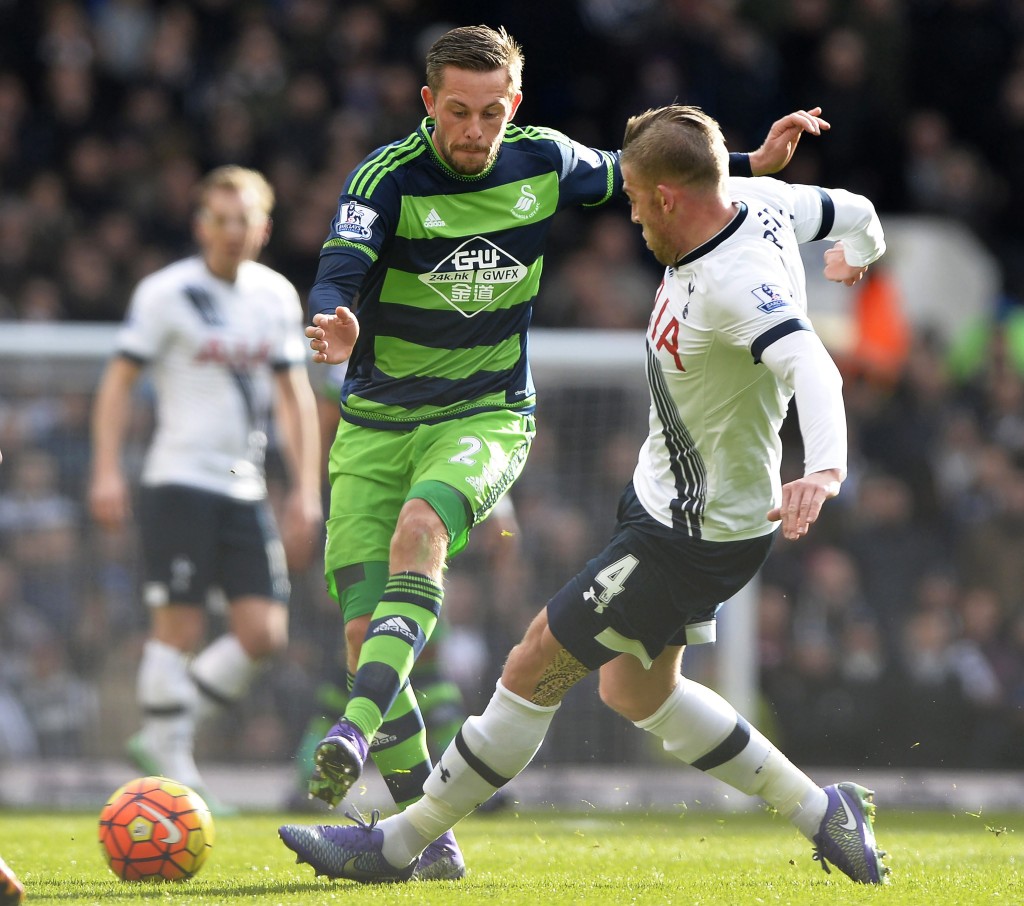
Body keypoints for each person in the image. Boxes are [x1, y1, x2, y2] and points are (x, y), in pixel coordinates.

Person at [279, 103, 890, 885]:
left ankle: (402, 844)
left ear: (668, 196)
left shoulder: (736, 287)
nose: (629, 215)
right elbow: (857, 211)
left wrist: (827, 469)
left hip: (688, 538)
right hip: (663, 505)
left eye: (635, 198)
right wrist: (857, 252)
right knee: (638, 691)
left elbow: (813, 365)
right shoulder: (767, 200)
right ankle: (825, 812)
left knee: (533, 666)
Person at [88, 165, 322, 808]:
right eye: (219, 218)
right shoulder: (167, 293)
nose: (230, 230)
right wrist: (106, 467)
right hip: (178, 479)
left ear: (263, 227)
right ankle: (172, 766)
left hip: (242, 485)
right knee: (179, 626)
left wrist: (305, 488)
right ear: (200, 225)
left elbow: (293, 395)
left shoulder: (275, 295)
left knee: (264, 634)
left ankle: (166, 732)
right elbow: (116, 382)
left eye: (243, 218)